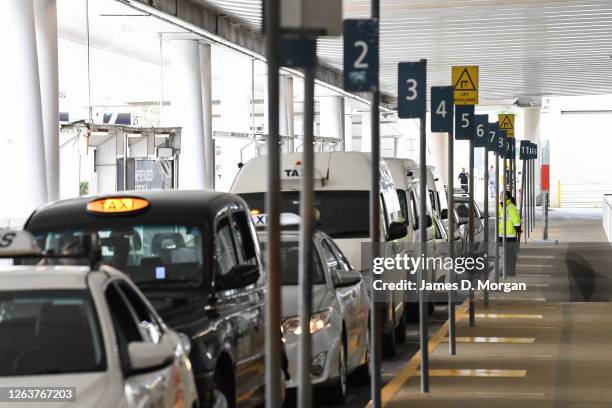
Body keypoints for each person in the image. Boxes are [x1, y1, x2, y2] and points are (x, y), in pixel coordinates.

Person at [498, 190, 522, 276]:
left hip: (510, 235)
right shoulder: (501, 206)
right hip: (502, 234)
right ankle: (507, 270)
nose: (500, 197)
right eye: (500, 195)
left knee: (510, 254)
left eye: (501, 196)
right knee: (506, 253)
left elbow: (516, 220)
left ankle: (510, 271)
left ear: (507, 197)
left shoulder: (510, 207)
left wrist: (518, 230)